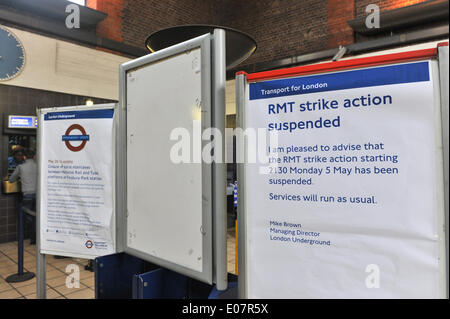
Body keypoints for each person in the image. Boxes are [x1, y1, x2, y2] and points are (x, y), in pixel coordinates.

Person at [9, 148, 37, 245]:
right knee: (36, 216)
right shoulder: (39, 166)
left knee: (29, 217)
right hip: (38, 195)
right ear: (34, 157)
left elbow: (11, 179)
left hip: (27, 195)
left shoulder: (20, 167)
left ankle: (32, 238)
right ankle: (35, 238)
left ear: (24, 157)